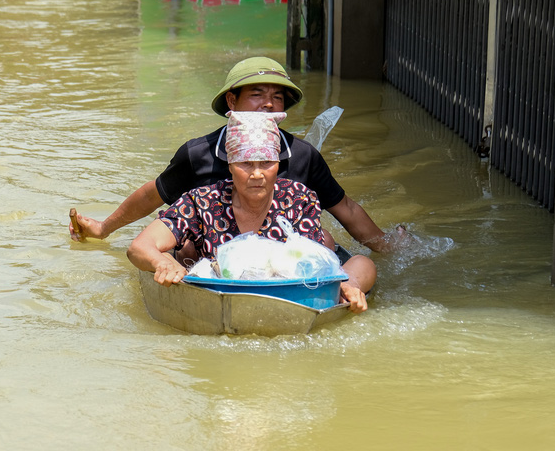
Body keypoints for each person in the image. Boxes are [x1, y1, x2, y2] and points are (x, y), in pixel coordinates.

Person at [70, 56, 406, 253]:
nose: (268, 103)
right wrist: (104, 228)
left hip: (283, 259)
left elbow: (344, 207)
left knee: (328, 243)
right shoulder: (199, 153)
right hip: (212, 255)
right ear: (232, 102)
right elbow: (152, 194)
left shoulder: (302, 156)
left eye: (277, 97)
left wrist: (387, 247)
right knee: (185, 248)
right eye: (256, 94)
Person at [126, 111, 375, 313]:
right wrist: (162, 263)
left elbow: (313, 264)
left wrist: (345, 286)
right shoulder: (202, 201)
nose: (257, 174)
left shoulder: (299, 198)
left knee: (362, 263)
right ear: (230, 166)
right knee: (177, 254)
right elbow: (139, 246)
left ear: (278, 166)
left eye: (266, 164)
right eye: (246, 164)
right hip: (220, 295)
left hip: (288, 295)